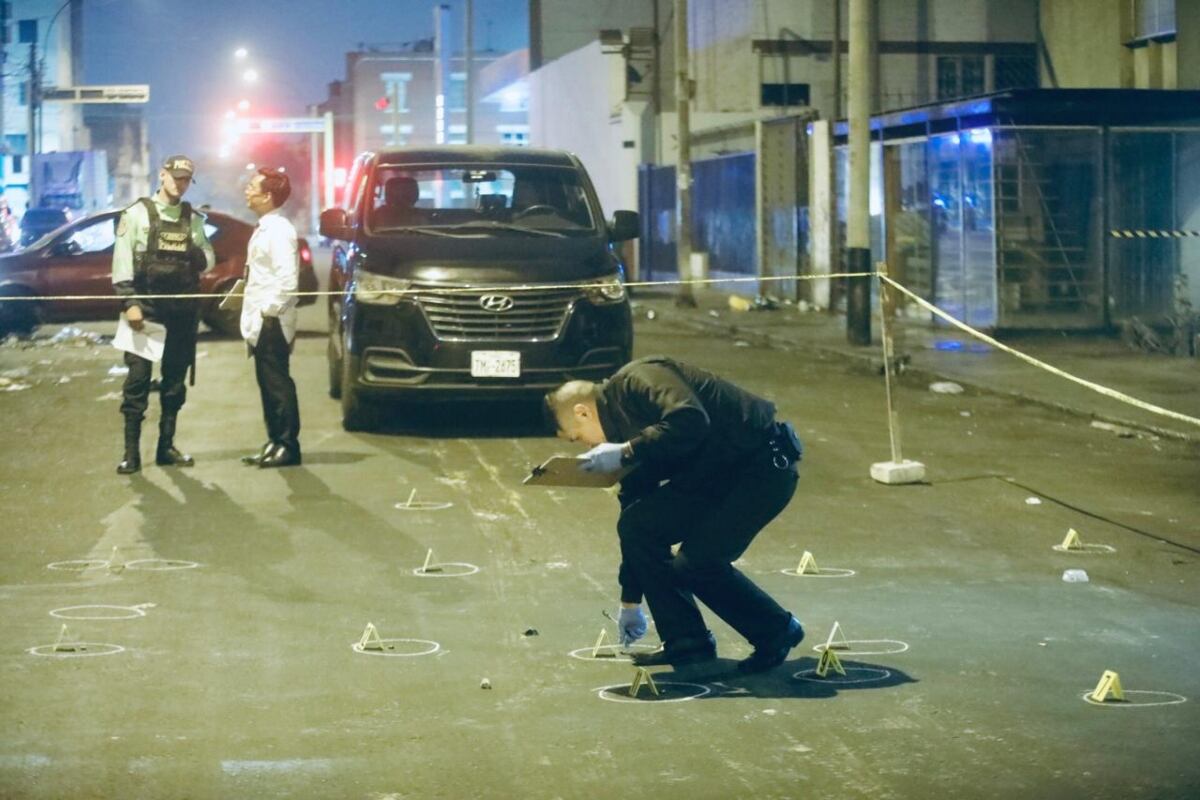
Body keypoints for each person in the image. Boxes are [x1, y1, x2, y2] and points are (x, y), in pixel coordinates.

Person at [545, 356, 806, 674]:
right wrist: (630, 600)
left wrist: (626, 451)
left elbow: (690, 419)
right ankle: (686, 641)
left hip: (761, 468)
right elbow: (634, 509)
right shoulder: (622, 434)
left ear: (582, 412)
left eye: (577, 437)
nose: (584, 446)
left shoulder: (640, 379)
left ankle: (778, 630)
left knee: (697, 563)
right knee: (639, 525)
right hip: (716, 476)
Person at [112, 155, 215, 475]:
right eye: (176, 177)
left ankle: (165, 447)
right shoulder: (136, 214)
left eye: (186, 179)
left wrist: (194, 251)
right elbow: (122, 262)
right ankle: (131, 454)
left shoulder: (193, 218)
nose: (180, 184)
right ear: (162, 175)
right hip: (146, 310)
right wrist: (129, 303)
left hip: (182, 312)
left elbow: (209, 260)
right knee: (138, 381)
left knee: (174, 383)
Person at [240, 167, 301, 468]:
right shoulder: (265, 227)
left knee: (277, 383)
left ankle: (288, 445)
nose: (247, 190)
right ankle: (274, 440)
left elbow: (288, 280)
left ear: (267, 196)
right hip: (261, 319)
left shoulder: (279, 231)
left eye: (252, 187)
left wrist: (269, 313)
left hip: (271, 320)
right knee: (266, 383)